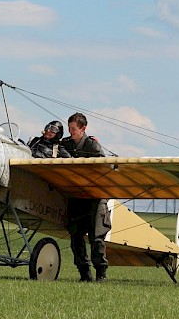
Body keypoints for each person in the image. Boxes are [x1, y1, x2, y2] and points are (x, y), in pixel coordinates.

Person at [60, 112, 110, 282]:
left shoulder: (93, 147)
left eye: (73, 129)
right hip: (76, 198)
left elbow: (103, 170)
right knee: (75, 237)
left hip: (95, 198)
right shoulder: (65, 144)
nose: (70, 131)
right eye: (69, 128)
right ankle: (84, 274)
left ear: (83, 129)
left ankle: (101, 273)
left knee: (96, 238)